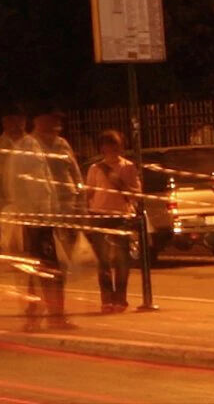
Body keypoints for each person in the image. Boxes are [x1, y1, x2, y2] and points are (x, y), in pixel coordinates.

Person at [8, 112, 78, 330]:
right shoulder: (27, 147)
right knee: (48, 269)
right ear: (38, 120)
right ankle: (50, 315)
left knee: (43, 268)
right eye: (51, 119)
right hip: (38, 219)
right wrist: (36, 215)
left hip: (44, 217)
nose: (57, 124)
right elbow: (29, 185)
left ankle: (39, 314)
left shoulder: (34, 146)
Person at [82, 129, 144, 314]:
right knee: (103, 260)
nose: (112, 149)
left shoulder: (128, 167)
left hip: (121, 217)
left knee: (122, 260)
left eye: (115, 145)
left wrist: (125, 189)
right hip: (100, 216)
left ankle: (120, 298)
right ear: (102, 148)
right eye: (108, 145)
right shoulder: (95, 168)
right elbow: (89, 192)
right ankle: (107, 299)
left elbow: (137, 194)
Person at [0, 111, 32, 299]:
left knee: (29, 246)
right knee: (13, 245)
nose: (17, 125)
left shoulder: (31, 143)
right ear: (4, 122)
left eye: (20, 121)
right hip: (9, 204)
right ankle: (24, 293)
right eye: (12, 121)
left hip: (31, 204)